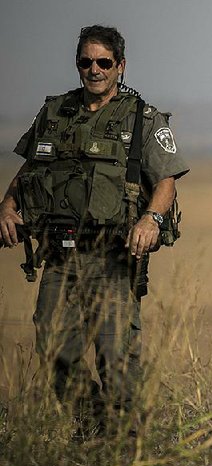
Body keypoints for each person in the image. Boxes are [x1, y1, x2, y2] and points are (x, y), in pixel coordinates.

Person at [0, 25, 189, 433]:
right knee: (53, 348)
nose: (94, 69)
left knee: (115, 356)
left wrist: (150, 219)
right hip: (60, 256)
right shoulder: (55, 113)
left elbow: (167, 181)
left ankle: (124, 447)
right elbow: (30, 168)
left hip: (113, 256)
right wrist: (8, 205)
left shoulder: (142, 118)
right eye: (86, 62)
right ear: (77, 65)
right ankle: (93, 425)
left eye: (104, 62)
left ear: (120, 66)